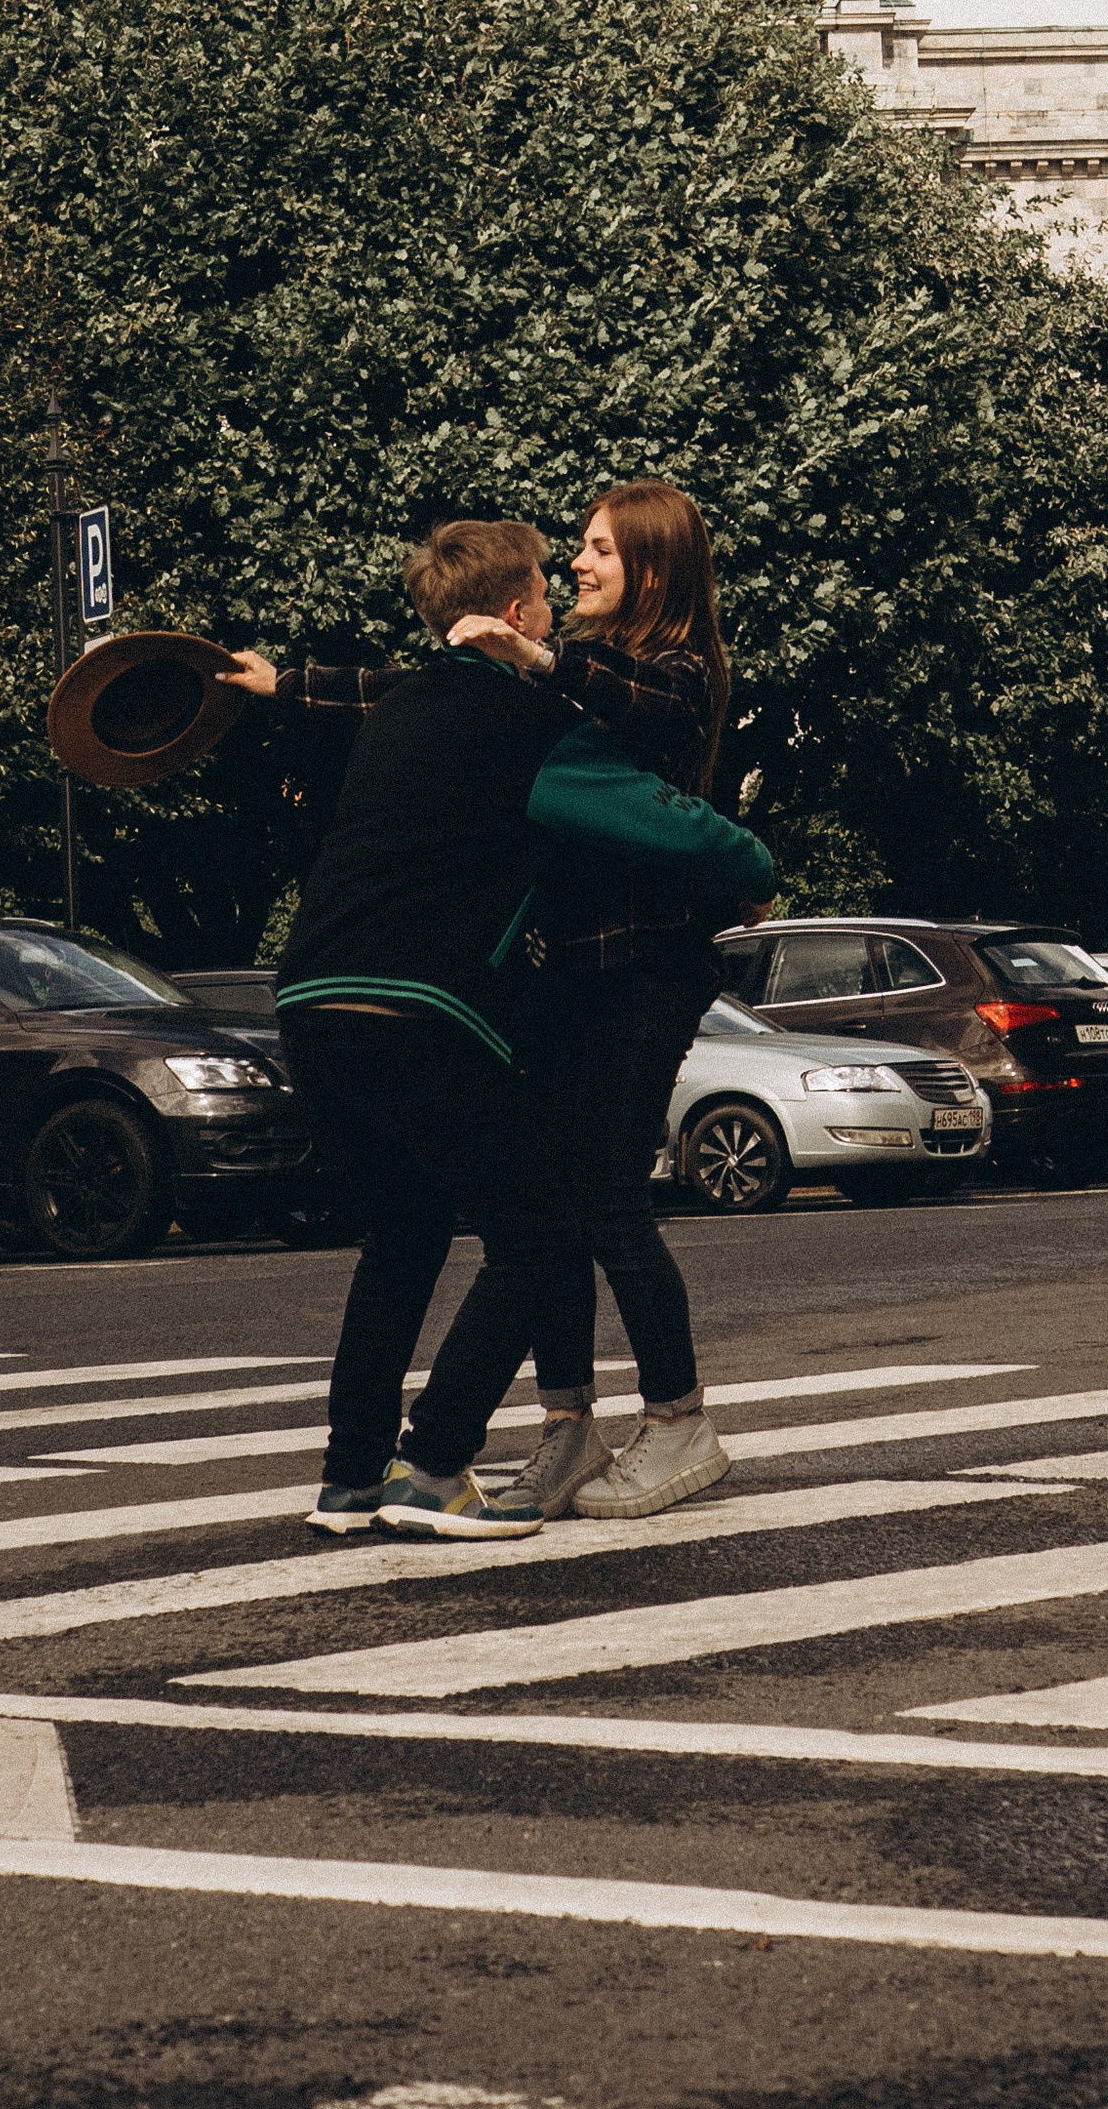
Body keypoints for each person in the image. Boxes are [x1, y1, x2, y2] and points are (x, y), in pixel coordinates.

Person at [235, 518, 770, 1545]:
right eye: (554, 567)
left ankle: (349, 1478)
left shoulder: (398, 715)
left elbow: (379, 687)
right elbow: (686, 829)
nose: (573, 568)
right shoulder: (536, 727)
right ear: (514, 612)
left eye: (599, 549)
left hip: (306, 994)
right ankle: (434, 1459)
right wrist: (747, 874)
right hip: (421, 1005)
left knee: (401, 1236)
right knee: (545, 1229)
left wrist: (280, 685)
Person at [448, 483, 757, 1520]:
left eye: (597, 551)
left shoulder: (676, 675)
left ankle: (679, 1422)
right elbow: (423, 698)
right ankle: (567, 1427)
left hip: (647, 969)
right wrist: (282, 684)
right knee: (550, 1205)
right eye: (579, 551)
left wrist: (536, 657)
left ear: (652, 572)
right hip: (565, 970)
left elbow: (646, 704)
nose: (577, 566)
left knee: (611, 1196)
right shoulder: (575, 682)